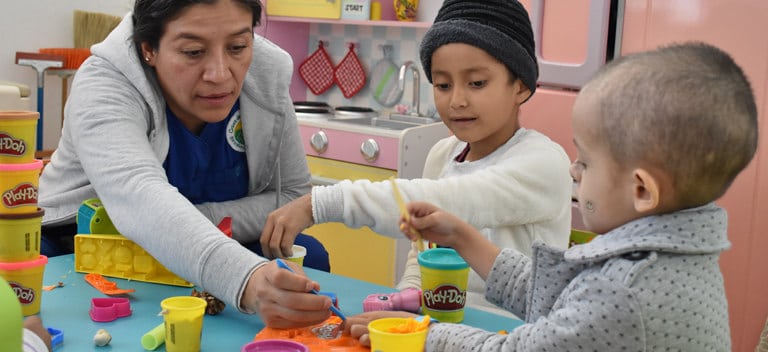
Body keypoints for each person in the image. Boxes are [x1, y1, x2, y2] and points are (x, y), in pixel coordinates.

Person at [350, 41, 758, 351]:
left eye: (586, 161)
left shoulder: (626, 289)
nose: (573, 170)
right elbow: (553, 293)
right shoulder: (671, 257)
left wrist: (421, 335)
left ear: (640, 190)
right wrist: (460, 235)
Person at [262, 0, 573, 317]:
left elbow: (452, 203)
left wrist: (321, 203)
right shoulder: (443, 153)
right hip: (440, 323)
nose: (457, 100)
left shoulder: (543, 162)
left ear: (520, 87)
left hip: (514, 330)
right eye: (443, 85)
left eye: (477, 83)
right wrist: (402, 303)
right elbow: (421, 253)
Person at [38, 0, 334, 328]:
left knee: (309, 254)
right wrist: (246, 279)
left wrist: (192, 228)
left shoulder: (266, 72)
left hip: (212, 241)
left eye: (238, 46)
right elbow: (141, 200)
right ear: (148, 47)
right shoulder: (104, 84)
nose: (220, 74)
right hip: (82, 243)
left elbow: (291, 194)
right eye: (193, 52)